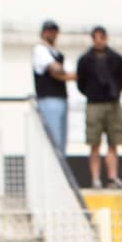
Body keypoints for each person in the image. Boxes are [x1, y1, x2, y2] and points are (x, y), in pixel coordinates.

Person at [76, 26, 122, 189]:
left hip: (112, 103)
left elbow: (121, 81)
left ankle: (112, 177)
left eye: (102, 37)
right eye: (96, 37)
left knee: (114, 142)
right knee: (94, 143)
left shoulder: (116, 59)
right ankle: (96, 179)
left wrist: (114, 93)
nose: (99, 41)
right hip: (94, 104)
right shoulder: (85, 60)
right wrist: (93, 93)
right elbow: (80, 83)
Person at [32, 19, 76, 155]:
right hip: (48, 99)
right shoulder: (40, 50)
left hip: (61, 99)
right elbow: (56, 70)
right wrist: (60, 73)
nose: (52, 34)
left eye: (54, 31)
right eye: (49, 31)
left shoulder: (58, 54)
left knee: (61, 143)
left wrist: (61, 74)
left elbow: (71, 74)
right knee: (54, 140)